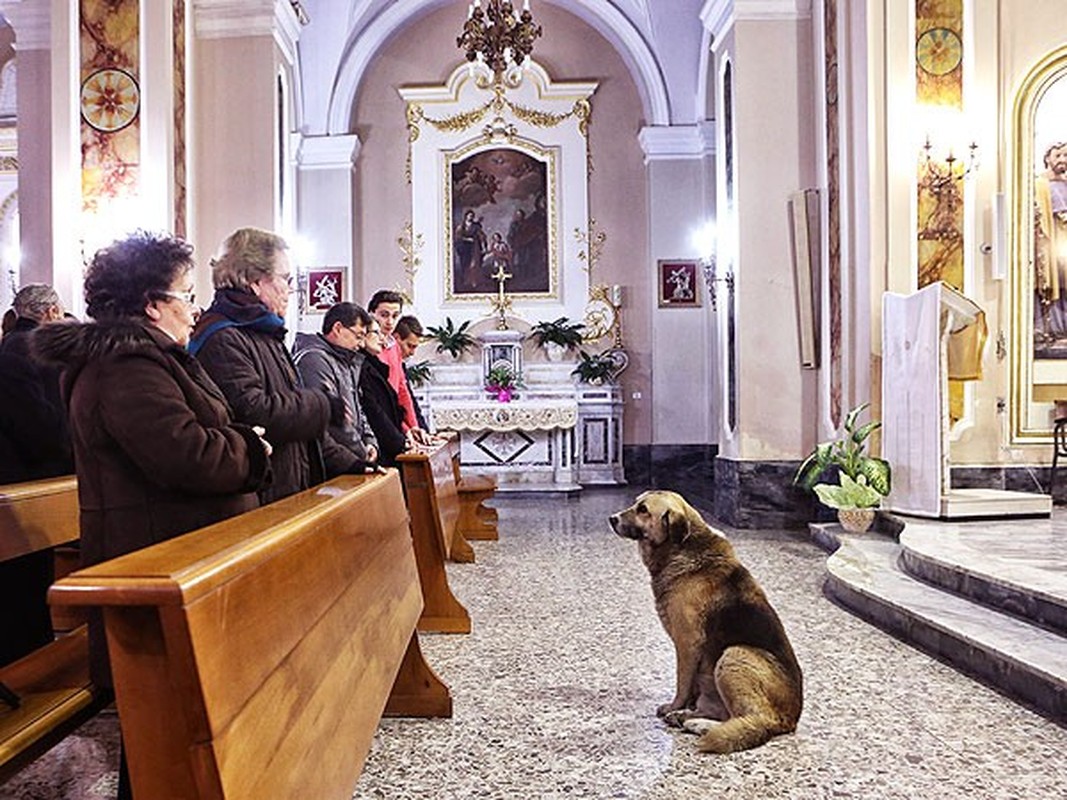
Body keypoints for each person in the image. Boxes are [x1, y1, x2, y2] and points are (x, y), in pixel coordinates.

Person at [33, 231, 272, 800]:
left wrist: (233, 439)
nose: (194, 308)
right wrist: (252, 448)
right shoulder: (126, 366)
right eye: (186, 295)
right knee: (159, 734)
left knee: (171, 734)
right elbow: (187, 455)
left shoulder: (150, 358)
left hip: (171, 560)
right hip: (151, 573)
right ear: (150, 303)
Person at [190, 227, 338, 503]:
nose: (290, 289)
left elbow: (295, 420)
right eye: (285, 278)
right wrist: (321, 406)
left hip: (286, 487)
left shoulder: (263, 333)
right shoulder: (223, 337)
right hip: (261, 495)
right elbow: (254, 411)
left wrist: (347, 461)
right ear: (254, 281)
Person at [0, 284, 74, 667]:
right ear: (48, 313)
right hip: (26, 479)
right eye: (60, 314)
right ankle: (25, 663)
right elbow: (37, 422)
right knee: (22, 584)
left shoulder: (24, 346)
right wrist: (66, 452)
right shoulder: (21, 349)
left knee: (33, 580)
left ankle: (35, 655)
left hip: (38, 477)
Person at [292, 302, 379, 476]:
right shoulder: (314, 359)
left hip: (352, 455)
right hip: (331, 460)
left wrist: (370, 441)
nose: (361, 344)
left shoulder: (346, 360)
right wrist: (361, 451)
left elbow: (357, 407)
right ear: (338, 328)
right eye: (358, 336)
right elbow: (333, 418)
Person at [367, 289, 433, 445]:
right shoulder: (370, 349)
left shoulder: (393, 346)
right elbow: (380, 401)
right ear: (371, 314)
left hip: (396, 422)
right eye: (384, 315)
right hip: (380, 426)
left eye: (395, 316)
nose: (390, 322)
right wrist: (404, 429)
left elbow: (402, 390)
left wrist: (414, 426)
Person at [358, 317, 410, 468]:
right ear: (362, 335)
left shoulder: (375, 366)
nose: (382, 338)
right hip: (380, 448)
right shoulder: (362, 368)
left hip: (389, 444)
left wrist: (406, 432)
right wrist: (399, 442)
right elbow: (373, 410)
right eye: (376, 333)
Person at [1035, 142, 1067, 338]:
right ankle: (1052, 325)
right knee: (1052, 281)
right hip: (1051, 241)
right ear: (1048, 158)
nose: (1063, 160)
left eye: (1065, 156)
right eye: (1058, 156)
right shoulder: (1040, 184)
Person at [395, 314, 431, 432]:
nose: (412, 353)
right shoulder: (384, 363)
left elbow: (410, 401)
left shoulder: (401, 365)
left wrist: (423, 430)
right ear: (396, 338)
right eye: (410, 346)